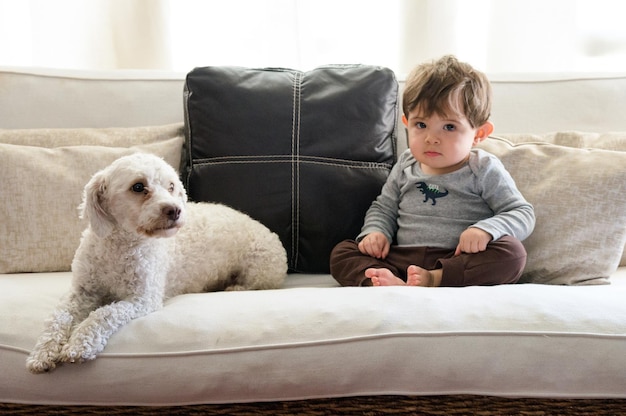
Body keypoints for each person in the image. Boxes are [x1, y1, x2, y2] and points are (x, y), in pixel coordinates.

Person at [330, 55, 535, 287]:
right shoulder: (406, 163)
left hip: (457, 258)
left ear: (479, 134)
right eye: (421, 125)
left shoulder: (483, 168)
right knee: (343, 252)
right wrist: (376, 232)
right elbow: (384, 207)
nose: (431, 138)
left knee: (513, 254)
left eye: (449, 127)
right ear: (407, 123)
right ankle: (386, 280)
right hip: (400, 258)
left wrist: (486, 230)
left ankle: (434, 278)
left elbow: (521, 212)